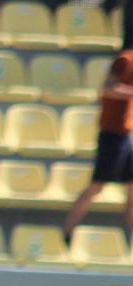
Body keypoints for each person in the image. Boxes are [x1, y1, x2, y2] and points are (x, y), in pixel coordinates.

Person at [63, 49, 133, 240]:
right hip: (112, 133)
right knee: (97, 186)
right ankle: (67, 231)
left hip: (125, 134)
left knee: (131, 188)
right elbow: (107, 88)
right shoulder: (125, 60)